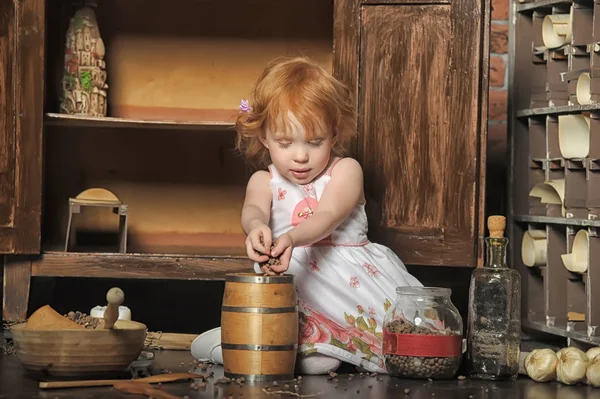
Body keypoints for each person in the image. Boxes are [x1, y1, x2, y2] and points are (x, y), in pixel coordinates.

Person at [191, 56, 423, 374]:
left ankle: (294, 349)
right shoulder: (265, 180)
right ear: (264, 137)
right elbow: (253, 210)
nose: (300, 156)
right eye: (285, 143)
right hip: (296, 289)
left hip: (351, 284)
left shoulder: (346, 170)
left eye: (315, 142)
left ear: (334, 136)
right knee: (307, 355)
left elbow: (327, 215)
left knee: (417, 338)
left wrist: (291, 237)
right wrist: (257, 228)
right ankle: (268, 346)